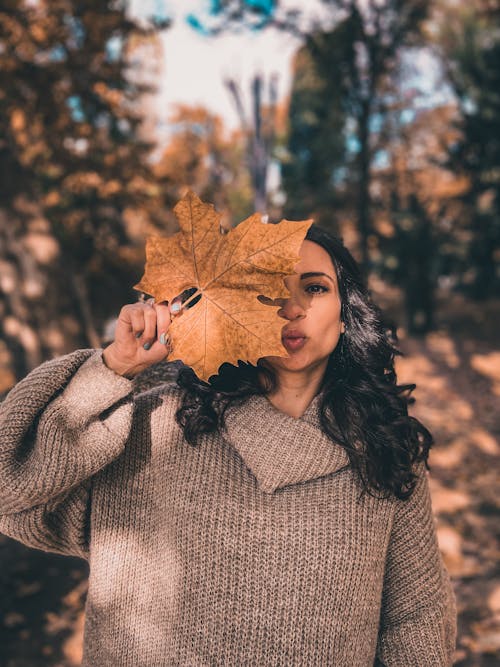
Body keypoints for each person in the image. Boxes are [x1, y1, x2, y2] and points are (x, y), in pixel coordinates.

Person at [0, 225, 457, 666]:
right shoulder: (156, 426)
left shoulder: (385, 449)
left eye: (315, 288)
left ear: (346, 314)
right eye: (268, 289)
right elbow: (10, 493)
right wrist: (113, 367)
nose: (291, 307)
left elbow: (415, 621)